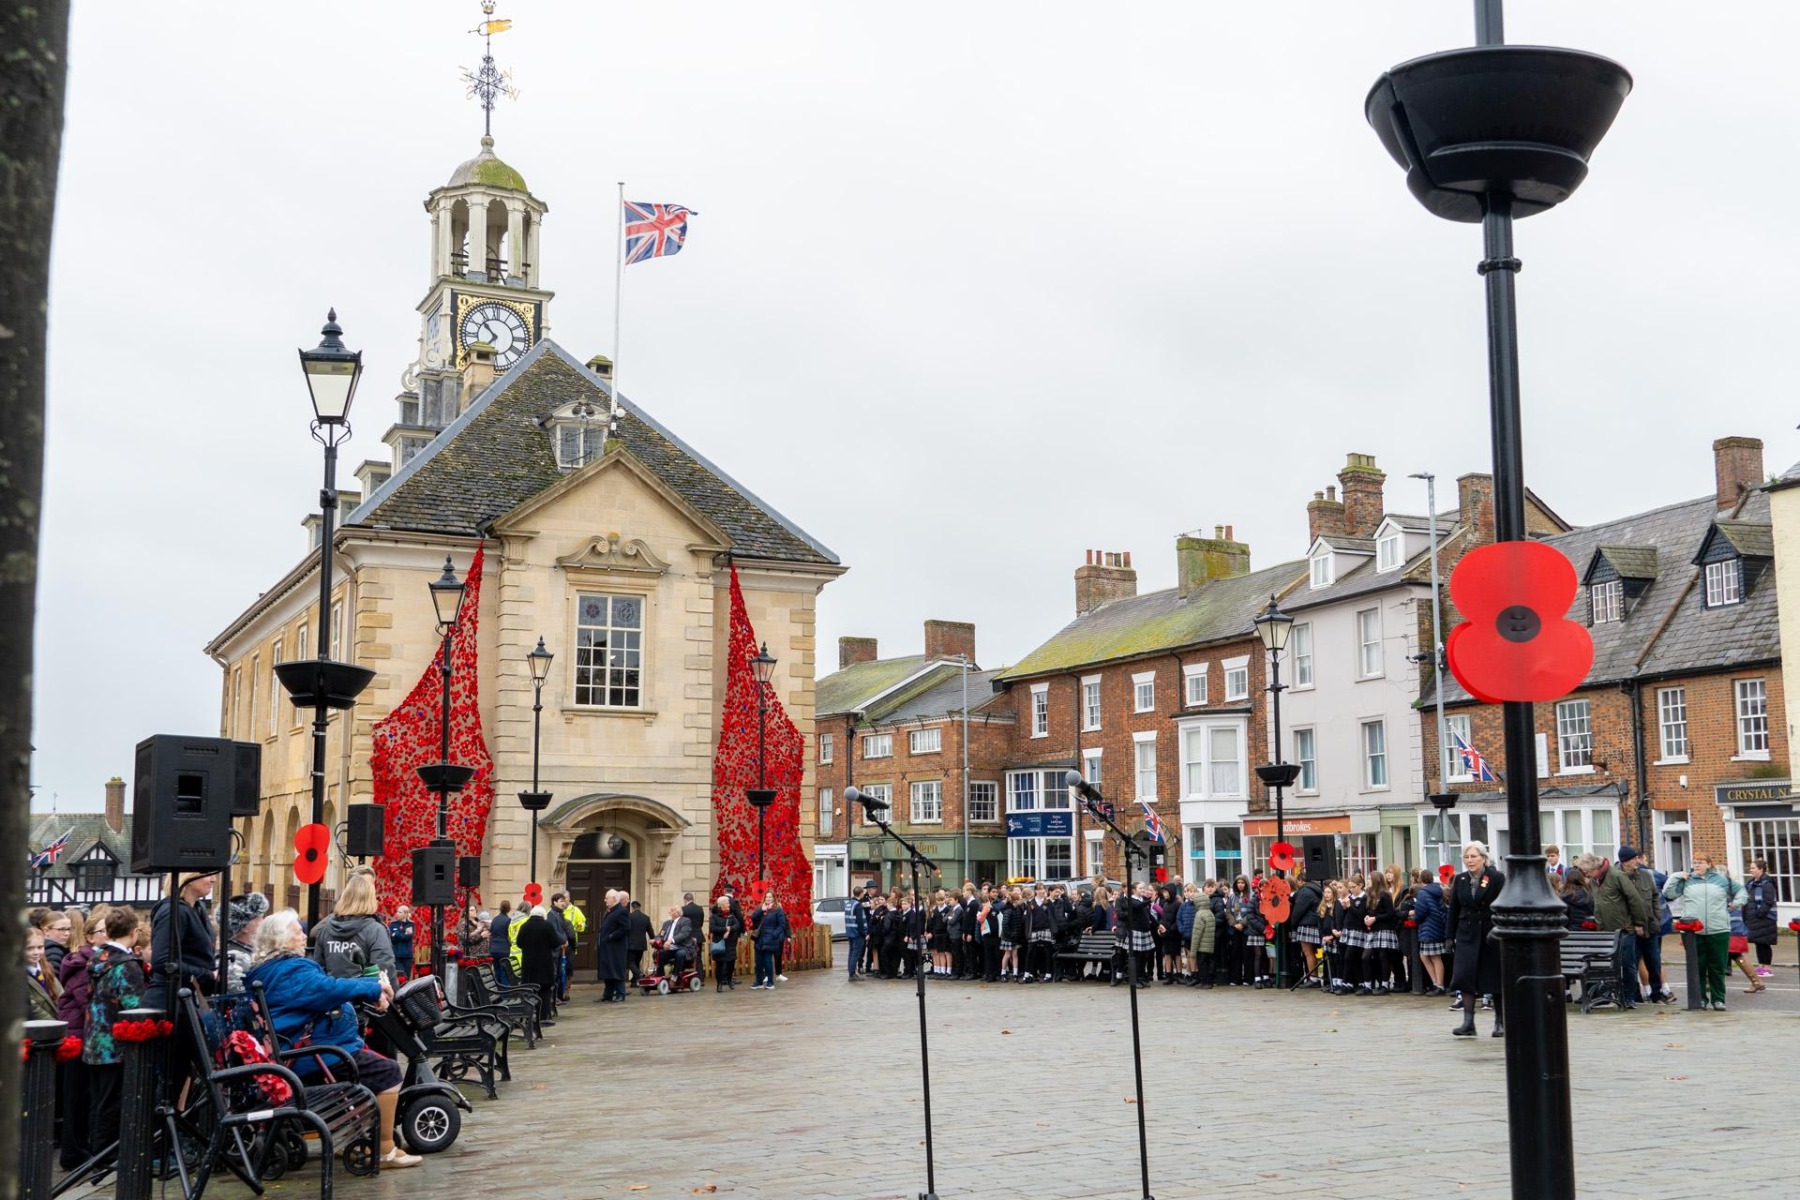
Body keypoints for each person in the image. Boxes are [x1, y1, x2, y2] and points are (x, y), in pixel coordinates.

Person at [246, 910, 420, 1168]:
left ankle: (349, 1138)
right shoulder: (291, 970)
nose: (304, 935)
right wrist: (373, 988)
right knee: (389, 1072)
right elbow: (328, 988)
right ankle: (385, 1149)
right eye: (298, 931)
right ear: (282, 940)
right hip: (313, 1054)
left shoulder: (270, 970)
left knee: (366, 1065)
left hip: (302, 1049)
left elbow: (324, 990)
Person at [83, 907, 148, 1170]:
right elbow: (134, 1007)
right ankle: (106, 1159)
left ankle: (97, 1155)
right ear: (134, 932)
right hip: (116, 1043)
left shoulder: (97, 958)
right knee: (112, 1103)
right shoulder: (127, 965)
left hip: (94, 1040)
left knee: (99, 1102)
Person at [56, 904, 111, 1169]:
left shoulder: (98, 961)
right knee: (76, 1097)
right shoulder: (82, 964)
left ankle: (81, 1148)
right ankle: (73, 1153)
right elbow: (87, 1001)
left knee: (86, 1095)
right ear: (90, 936)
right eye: (103, 931)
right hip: (78, 1036)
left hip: (86, 1035)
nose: (108, 935)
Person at [1664, 854, 1746, 1011]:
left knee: (1718, 966)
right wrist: (1676, 876)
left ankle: (1718, 1000)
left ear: (1709, 864)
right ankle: (1700, 999)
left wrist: (1736, 903)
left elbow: (1741, 891)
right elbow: (1669, 893)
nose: (1696, 865)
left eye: (1700, 862)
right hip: (1693, 931)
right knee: (1698, 966)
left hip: (1718, 929)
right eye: (1695, 862)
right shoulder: (1687, 880)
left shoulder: (1723, 880)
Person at [1448, 841, 1504, 1038]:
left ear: (1483, 858)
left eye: (1473, 856)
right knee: (1464, 977)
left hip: (1490, 934)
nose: (1470, 860)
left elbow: (1503, 907)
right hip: (1466, 934)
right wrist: (1449, 936)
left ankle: (1500, 1022)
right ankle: (1468, 1022)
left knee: (1494, 978)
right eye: (1466, 857)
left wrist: (1498, 929)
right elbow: (1454, 909)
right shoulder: (1460, 879)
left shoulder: (1496, 878)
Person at [312, 871, 399, 988]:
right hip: (365, 996)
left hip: (333, 995)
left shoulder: (326, 929)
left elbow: (318, 970)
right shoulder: (375, 930)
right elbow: (384, 971)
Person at [147, 871, 219, 1008]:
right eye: (207, 874)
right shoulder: (174, 911)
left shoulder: (198, 908)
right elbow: (163, 962)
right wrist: (208, 975)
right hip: (170, 1001)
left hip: (190, 998)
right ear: (188, 877)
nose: (213, 879)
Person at [1595, 848, 1651, 1011]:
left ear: (1597, 868)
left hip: (1625, 928)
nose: (1588, 875)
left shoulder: (1617, 876)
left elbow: (1635, 900)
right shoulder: (1595, 879)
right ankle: (1609, 995)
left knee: (1628, 964)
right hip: (1606, 930)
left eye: (1590, 872)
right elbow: (1598, 904)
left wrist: (1639, 923)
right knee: (1610, 964)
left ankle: (1629, 997)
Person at [516, 904, 561, 1022]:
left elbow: (519, 943)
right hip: (544, 964)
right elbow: (555, 943)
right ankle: (544, 1016)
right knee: (545, 990)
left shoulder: (524, 926)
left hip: (529, 965)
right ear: (543, 915)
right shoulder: (547, 926)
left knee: (530, 990)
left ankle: (530, 1016)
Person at [224, 893, 270, 992]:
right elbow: (240, 996)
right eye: (259, 918)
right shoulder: (235, 957)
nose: (263, 922)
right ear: (245, 926)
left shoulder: (248, 950)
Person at [1743, 858, 1780, 979]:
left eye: (1753, 868)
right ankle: (1761, 966)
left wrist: (1760, 913)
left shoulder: (1767, 884)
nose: (1750, 870)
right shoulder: (1750, 883)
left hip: (1765, 918)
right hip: (1754, 919)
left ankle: (1767, 968)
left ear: (1761, 869)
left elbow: (1768, 901)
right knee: (1758, 942)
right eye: (1750, 868)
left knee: (1765, 943)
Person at [594, 890, 631, 1003]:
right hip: (607, 947)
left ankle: (620, 994)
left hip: (616, 948)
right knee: (608, 971)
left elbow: (626, 928)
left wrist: (612, 936)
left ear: (614, 899)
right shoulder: (610, 911)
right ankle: (607, 994)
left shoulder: (621, 911)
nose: (605, 900)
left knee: (616, 970)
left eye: (607, 898)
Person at [749, 892, 790, 989]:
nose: (768, 899)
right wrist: (761, 910)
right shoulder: (761, 908)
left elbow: (782, 924)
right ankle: (759, 981)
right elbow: (753, 917)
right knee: (758, 961)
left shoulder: (778, 909)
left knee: (767, 961)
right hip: (759, 938)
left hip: (770, 938)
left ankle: (770, 982)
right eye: (766, 897)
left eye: (770, 897)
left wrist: (774, 934)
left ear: (773, 898)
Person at [1186, 881, 1218, 988]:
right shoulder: (1210, 913)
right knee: (1209, 963)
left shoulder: (1199, 914)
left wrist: (1193, 950)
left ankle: (1205, 982)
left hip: (1202, 945)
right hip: (1210, 944)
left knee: (1202, 964)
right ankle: (1209, 982)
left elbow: (1197, 934)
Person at [709, 896, 743, 992]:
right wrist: (725, 929)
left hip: (730, 943)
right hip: (719, 942)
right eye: (727, 903)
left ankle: (729, 978)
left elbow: (737, 925)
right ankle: (719, 984)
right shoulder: (714, 916)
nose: (729, 904)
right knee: (719, 965)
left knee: (731, 963)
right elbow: (713, 928)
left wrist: (730, 929)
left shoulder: (731, 915)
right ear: (722, 905)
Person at [26, 926, 60, 1021]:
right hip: (39, 1025)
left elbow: (61, 995)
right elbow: (33, 1008)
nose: (36, 952)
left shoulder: (47, 968)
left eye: (40, 947)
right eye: (29, 948)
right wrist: (55, 1024)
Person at [654, 904, 696, 980]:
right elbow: (661, 935)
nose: (669, 912)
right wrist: (655, 940)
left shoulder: (686, 921)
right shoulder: (666, 923)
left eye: (672, 910)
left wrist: (671, 941)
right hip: (670, 949)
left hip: (683, 948)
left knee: (679, 954)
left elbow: (683, 934)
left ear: (678, 912)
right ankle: (661, 977)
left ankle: (674, 977)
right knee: (658, 954)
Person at [36, 908, 75, 976]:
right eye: (61, 929)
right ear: (46, 931)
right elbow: (53, 977)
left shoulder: (43, 947)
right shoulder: (53, 950)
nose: (67, 933)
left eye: (69, 929)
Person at [387, 905, 417, 984]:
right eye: (397, 911)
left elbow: (407, 937)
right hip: (397, 955)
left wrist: (396, 934)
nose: (397, 913)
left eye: (400, 912)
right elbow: (391, 938)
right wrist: (401, 935)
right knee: (401, 976)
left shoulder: (410, 924)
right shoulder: (393, 924)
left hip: (407, 956)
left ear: (405, 914)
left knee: (406, 976)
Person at [626, 900, 653, 986]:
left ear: (632, 908)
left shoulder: (628, 917)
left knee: (629, 962)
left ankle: (639, 974)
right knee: (636, 962)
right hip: (641, 945)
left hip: (630, 944)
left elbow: (626, 929)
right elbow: (650, 931)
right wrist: (653, 940)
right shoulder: (646, 917)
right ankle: (634, 982)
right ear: (639, 907)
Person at [489, 901, 515, 986]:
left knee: (497, 971)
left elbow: (491, 931)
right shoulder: (508, 920)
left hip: (493, 949)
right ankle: (504, 991)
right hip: (504, 949)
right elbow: (510, 935)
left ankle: (498, 990)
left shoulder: (495, 919)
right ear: (509, 909)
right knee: (504, 972)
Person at [1561, 865, 1594, 930]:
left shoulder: (1565, 896)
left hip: (1571, 930)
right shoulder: (1589, 895)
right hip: (1588, 930)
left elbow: (1563, 917)